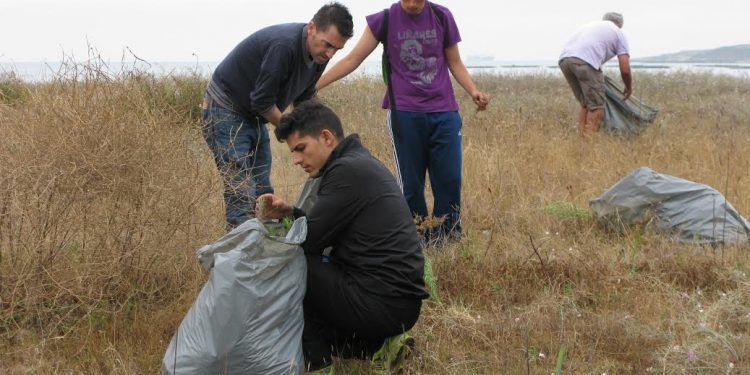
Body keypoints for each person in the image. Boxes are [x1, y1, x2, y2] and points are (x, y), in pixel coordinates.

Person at [255, 101, 429, 373]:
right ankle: (380, 347)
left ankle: (318, 366)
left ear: (326, 137)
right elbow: (322, 230)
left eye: (300, 149)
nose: (296, 160)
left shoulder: (346, 171)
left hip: (382, 303)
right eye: (292, 153)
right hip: (397, 304)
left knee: (292, 265)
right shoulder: (358, 163)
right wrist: (290, 211)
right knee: (312, 271)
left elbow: (309, 242)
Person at [315, 0, 490, 244]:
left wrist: (473, 91)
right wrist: (313, 87)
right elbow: (352, 60)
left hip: (444, 112)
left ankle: (448, 238)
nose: (413, 4)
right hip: (404, 113)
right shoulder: (384, 20)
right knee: (411, 183)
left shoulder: (441, 16)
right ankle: (416, 238)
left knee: (449, 178)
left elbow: (455, 61)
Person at [201, 3, 353, 229]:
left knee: (263, 193)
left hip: (253, 116)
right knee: (241, 192)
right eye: (327, 45)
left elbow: (305, 103)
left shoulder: (319, 56)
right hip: (225, 110)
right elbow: (262, 101)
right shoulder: (284, 46)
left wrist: (322, 138)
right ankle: (238, 259)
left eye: (337, 50)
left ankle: (263, 249)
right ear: (312, 28)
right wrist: (294, 133)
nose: (330, 54)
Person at [559, 12, 632, 139]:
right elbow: (625, 68)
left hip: (565, 61)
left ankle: (580, 141)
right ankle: (589, 144)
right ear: (620, 25)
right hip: (585, 62)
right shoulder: (618, 33)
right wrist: (628, 87)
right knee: (596, 106)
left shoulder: (591, 26)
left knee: (586, 104)